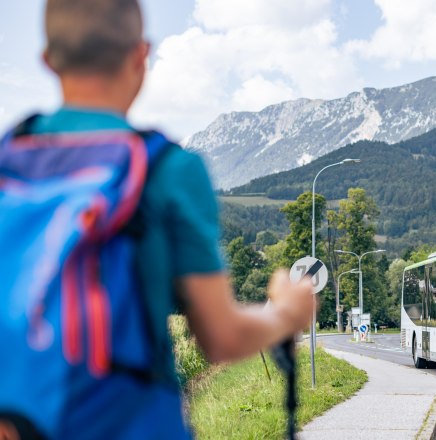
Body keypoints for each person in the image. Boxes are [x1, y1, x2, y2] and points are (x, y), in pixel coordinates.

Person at [0, 0, 316, 438]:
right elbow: (221, 337)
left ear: (48, 60)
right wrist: (286, 313)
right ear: (141, 56)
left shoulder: (8, 163)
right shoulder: (167, 170)